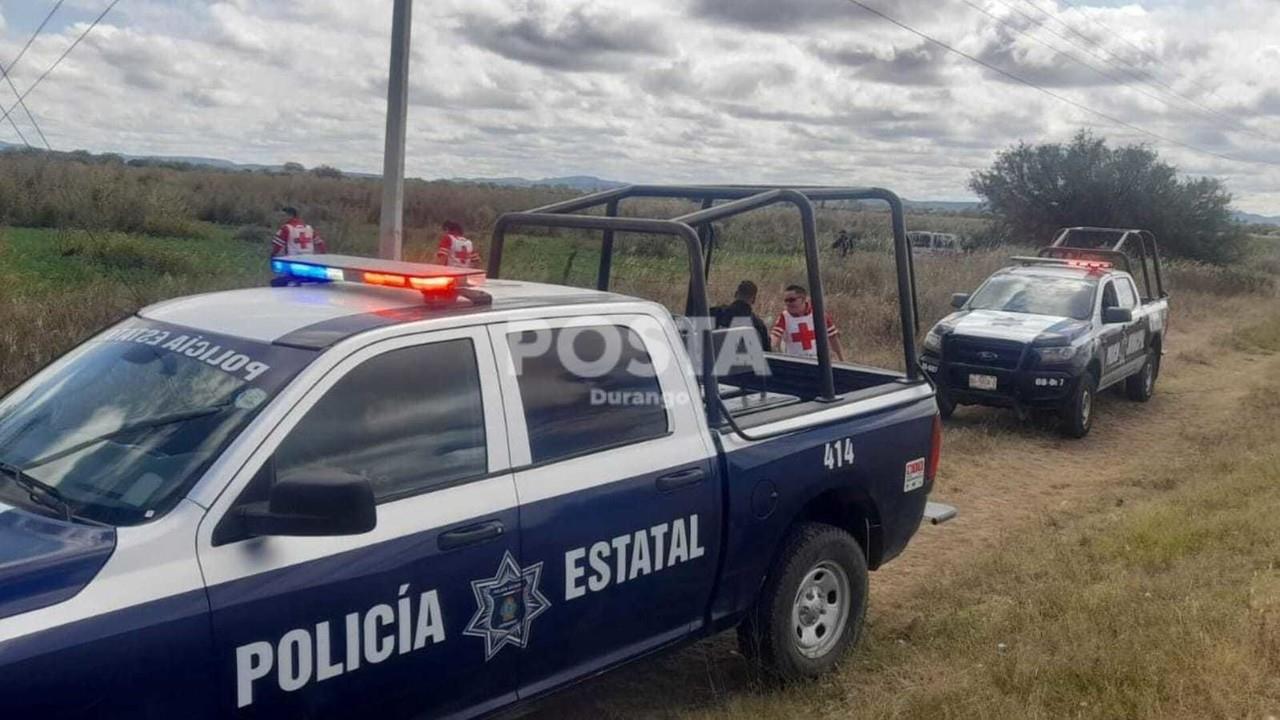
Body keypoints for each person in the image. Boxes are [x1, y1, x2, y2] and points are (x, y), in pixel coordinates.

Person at [770, 284, 845, 361]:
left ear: (803, 299)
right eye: (786, 300)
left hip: (818, 362)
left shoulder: (819, 314)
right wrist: (770, 347)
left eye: (792, 300)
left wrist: (842, 360)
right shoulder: (784, 316)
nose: (788, 303)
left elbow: (832, 337)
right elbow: (775, 336)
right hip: (794, 363)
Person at [711, 280, 770, 350]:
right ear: (754, 300)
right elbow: (767, 353)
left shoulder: (715, 314)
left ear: (735, 294)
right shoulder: (759, 326)